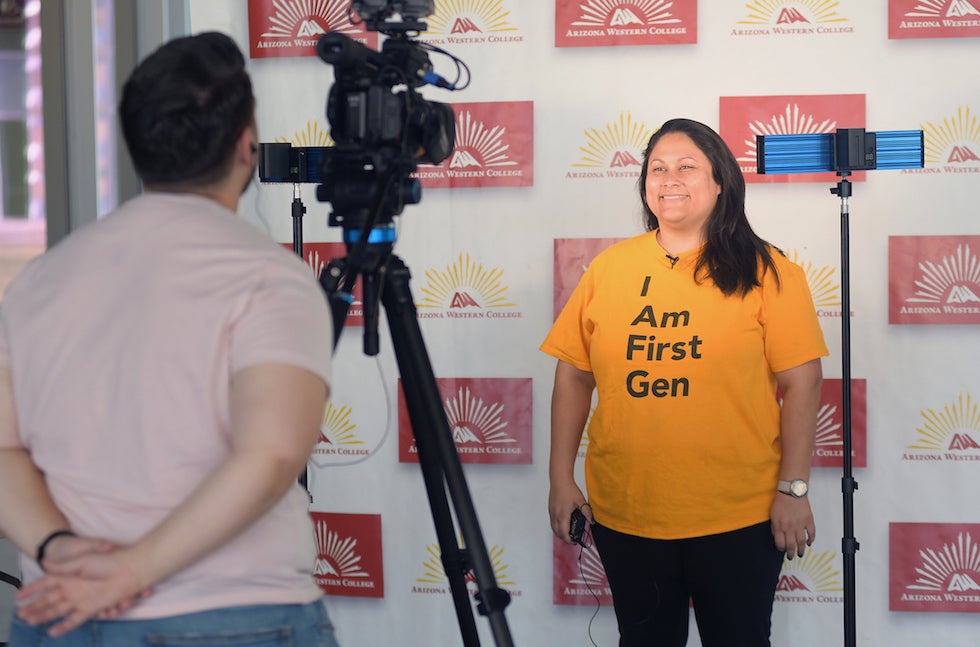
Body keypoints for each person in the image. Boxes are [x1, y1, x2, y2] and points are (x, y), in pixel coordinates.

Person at [0, 32, 341, 646]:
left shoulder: (39, 280)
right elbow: (271, 455)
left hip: (58, 613)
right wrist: (130, 570)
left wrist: (59, 551)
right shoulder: (269, 277)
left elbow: (3, 451)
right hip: (229, 616)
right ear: (246, 146)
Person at [543, 118, 827, 646]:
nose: (669, 178)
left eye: (686, 166)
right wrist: (561, 477)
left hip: (738, 515)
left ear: (721, 181)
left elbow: (803, 382)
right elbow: (574, 376)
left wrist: (793, 488)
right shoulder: (609, 269)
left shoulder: (769, 271)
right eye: (657, 168)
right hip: (627, 512)